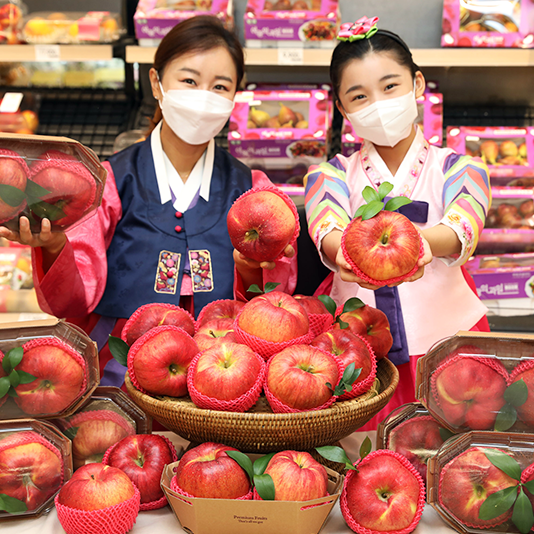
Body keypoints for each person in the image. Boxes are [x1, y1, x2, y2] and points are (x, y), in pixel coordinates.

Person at [0, 16, 296, 387]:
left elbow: (274, 307)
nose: (203, 97)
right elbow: (74, 301)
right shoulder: (109, 181)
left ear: (236, 94)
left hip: (222, 368)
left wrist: (252, 267)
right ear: (156, 83)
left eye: (220, 86)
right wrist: (54, 245)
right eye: (189, 81)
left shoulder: (251, 189)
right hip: (120, 367)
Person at [304, 16, 490, 427]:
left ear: (417, 84)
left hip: (448, 341)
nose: (378, 104)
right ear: (341, 108)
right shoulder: (329, 176)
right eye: (359, 96)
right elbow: (327, 229)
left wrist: (418, 246)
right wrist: (350, 255)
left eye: (390, 87)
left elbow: (464, 222)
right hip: (356, 347)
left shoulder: (462, 169)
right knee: (361, 449)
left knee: (454, 449)